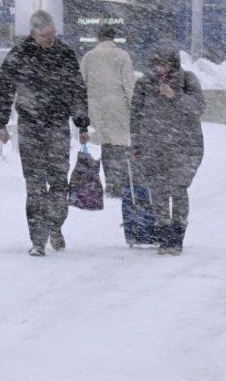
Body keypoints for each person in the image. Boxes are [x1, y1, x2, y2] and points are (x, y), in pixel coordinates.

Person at [0, 10, 90, 257]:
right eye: (47, 35)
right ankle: (38, 239)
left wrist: (82, 124)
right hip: (30, 125)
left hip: (57, 124)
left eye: (54, 33)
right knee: (35, 185)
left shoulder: (65, 54)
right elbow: (4, 88)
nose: (52, 38)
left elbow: (77, 90)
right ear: (34, 33)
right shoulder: (19, 54)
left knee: (58, 181)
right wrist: (0, 122)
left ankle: (55, 226)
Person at [130, 41, 205, 255]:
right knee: (160, 192)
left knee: (179, 189)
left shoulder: (187, 80)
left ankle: (177, 236)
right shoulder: (144, 84)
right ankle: (164, 236)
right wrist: (136, 143)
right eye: (158, 64)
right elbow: (135, 115)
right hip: (154, 146)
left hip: (185, 146)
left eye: (167, 64)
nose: (162, 68)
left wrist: (176, 96)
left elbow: (198, 108)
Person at [80, 24, 136, 198]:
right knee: (120, 144)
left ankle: (111, 181)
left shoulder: (89, 57)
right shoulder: (122, 56)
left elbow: (81, 84)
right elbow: (129, 84)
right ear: (113, 38)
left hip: (97, 107)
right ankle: (121, 182)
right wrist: (135, 107)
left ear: (98, 37)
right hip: (118, 105)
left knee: (107, 145)